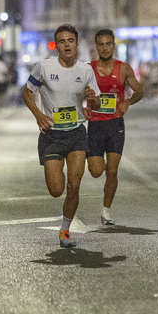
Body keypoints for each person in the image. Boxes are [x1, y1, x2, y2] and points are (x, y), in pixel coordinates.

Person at [22, 24, 99, 248]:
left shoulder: (86, 71)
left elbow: (94, 102)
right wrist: (38, 115)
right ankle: (58, 178)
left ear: (76, 44)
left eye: (71, 41)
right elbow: (26, 92)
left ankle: (65, 230)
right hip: (52, 135)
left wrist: (91, 101)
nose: (67, 44)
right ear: (57, 45)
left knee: (74, 186)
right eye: (62, 41)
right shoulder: (43, 68)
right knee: (57, 190)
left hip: (76, 133)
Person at [85, 29, 145, 226]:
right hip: (95, 125)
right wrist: (82, 108)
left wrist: (128, 101)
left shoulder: (124, 68)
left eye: (108, 44)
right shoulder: (87, 69)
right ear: (96, 47)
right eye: (101, 44)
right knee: (96, 171)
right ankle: (104, 203)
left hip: (115, 125)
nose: (104, 48)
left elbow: (140, 91)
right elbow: (75, 93)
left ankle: (106, 211)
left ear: (113, 45)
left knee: (112, 171)